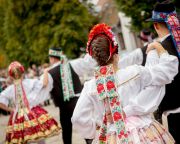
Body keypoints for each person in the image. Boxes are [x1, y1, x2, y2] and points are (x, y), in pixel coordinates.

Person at [72, 23, 178, 143]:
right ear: (116, 55)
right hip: (143, 131)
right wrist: (160, 49)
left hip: (112, 136)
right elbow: (166, 73)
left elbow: (77, 118)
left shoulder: (90, 86)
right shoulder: (134, 72)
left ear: (96, 59)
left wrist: (91, 131)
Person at [0, 61, 60, 144]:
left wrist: (10, 109)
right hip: (33, 112)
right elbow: (45, 84)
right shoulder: (29, 82)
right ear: (22, 72)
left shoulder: (10, 89)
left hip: (18, 116)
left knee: (24, 138)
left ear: (11, 76)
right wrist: (46, 71)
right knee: (40, 135)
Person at [47, 48, 95, 144]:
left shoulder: (49, 73)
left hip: (63, 106)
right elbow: (89, 63)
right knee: (86, 126)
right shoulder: (73, 64)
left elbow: (44, 89)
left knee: (66, 131)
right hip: (78, 101)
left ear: (52, 59)